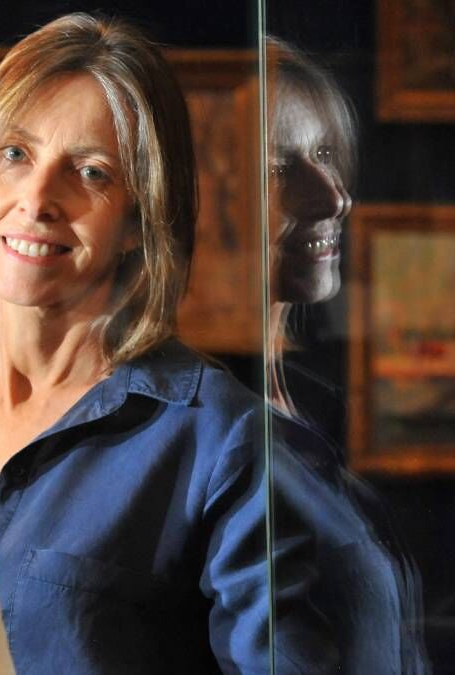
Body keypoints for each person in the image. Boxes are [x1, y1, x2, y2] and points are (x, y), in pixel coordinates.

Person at [0, 13, 330, 673]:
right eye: (14, 155)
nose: (37, 197)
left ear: (138, 220)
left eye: (91, 173)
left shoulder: (225, 446)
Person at [264, 37, 431, 673]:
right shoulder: (192, 430)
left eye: (325, 153)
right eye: (279, 168)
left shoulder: (317, 408)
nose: (334, 197)